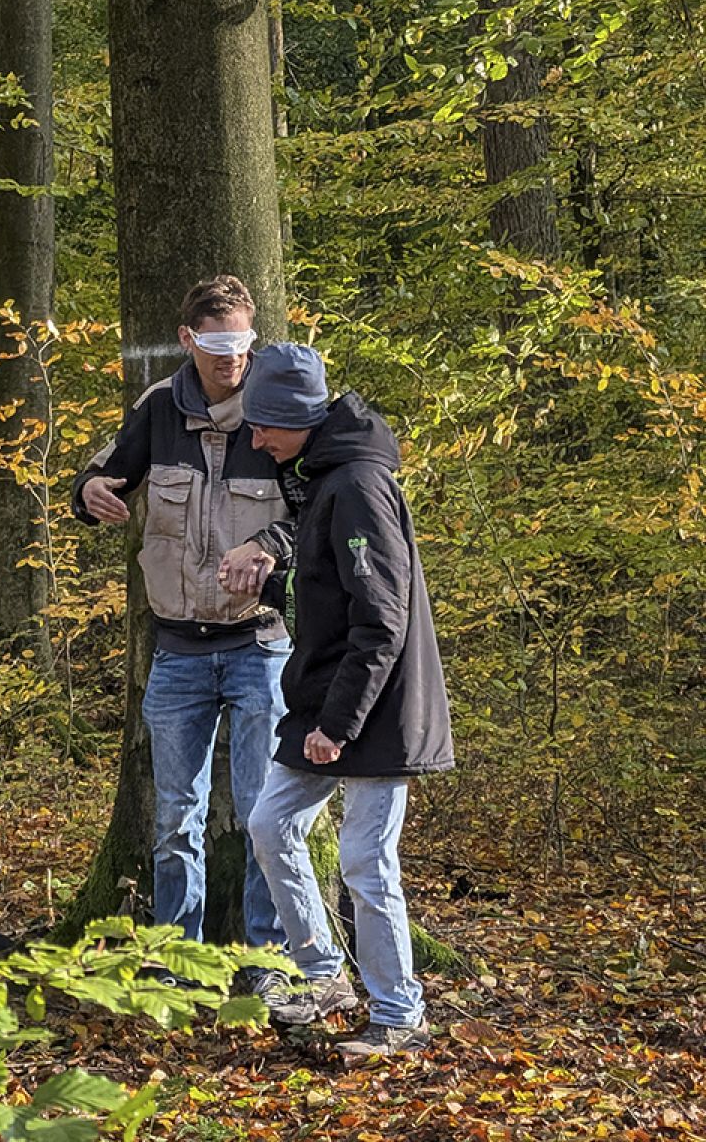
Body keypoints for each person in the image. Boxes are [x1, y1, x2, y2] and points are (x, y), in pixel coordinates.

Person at [220, 342, 453, 1057]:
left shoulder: (356, 483)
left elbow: (381, 619)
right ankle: (326, 977)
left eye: (264, 426)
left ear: (298, 419)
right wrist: (268, 584)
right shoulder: (321, 477)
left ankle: (399, 1015)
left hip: (376, 708)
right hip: (328, 700)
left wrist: (338, 725)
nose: (256, 440)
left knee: (364, 860)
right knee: (270, 824)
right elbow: (325, 593)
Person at [72, 275, 290, 960]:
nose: (232, 359)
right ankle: (177, 961)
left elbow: (320, 511)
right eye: (218, 346)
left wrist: (271, 544)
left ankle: (265, 961)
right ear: (187, 340)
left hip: (261, 644)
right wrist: (90, 490)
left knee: (264, 817)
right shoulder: (159, 408)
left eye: (242, 344)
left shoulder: (277, 409)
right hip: (177, 653)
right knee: (173, 821)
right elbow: (103, 472)